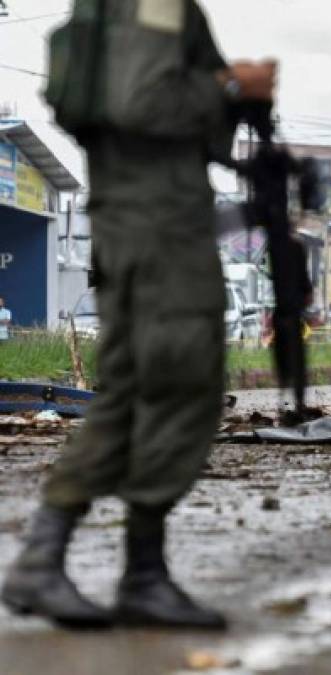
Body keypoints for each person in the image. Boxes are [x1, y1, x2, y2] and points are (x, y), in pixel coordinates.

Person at [1, 1, 276, 630]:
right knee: (181, 387)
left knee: (134, 391)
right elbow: (140, 104)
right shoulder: (153, 3)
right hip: (160, 228)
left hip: (132, 221)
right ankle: (87, 565)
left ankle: (115, 568)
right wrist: (231, 85)